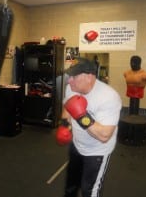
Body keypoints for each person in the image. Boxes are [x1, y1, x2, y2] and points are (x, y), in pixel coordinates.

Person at [60, 57, 122, 197]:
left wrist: (81, 116)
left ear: (89, 77)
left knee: (89, 190)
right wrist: (65, 124)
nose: (69, 81)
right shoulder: (72, 87)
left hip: (97, 152)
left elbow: (105, 135)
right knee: (71, 186)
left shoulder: (109, 97)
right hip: (76, 145)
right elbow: (67, 107)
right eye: (69, 76)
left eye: (74, 77)